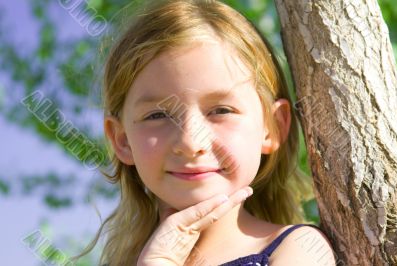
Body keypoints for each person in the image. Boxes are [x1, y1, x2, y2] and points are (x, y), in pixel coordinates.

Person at [75, 0, 336, 265]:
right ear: (122, 140)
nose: (190, 142)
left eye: (221, 110)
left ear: (272, 127)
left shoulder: (301, 249)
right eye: (158, 115)